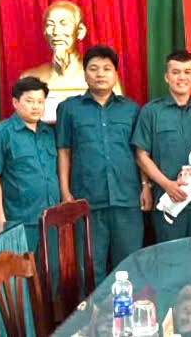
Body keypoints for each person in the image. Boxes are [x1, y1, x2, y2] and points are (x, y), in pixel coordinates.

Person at [56, 45, 144, 283]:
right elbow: (64, 151)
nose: (100, 74)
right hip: (87, 201)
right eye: (93, 69)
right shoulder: (69, 109)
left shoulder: (131, 109)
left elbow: (140, 153)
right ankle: (93, 308)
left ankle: (126, 307)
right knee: (89, 268)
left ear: (116, 74)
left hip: (127, 199)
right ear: (85, 74)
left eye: (107, 68)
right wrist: (65, 192)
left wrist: (145, 186)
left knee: (129, 266)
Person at [132, 50, 191, 242]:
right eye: (175, 72)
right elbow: (141, 155)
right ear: (166, 77)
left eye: (187, 72)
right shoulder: (151, 112)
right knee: (170, 255)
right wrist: (166, 184)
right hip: (168, 200)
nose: (182, 77)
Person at [0, 77, 60, 251]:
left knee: (52, 267)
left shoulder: (49, 133)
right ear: (15, 102)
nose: (36, 106)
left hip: (52, 220)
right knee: (23, 267)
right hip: (19, 222)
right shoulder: (0, 134)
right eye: (29, 101)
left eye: (40, 102)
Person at [21, 0, 122, 119]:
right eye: (50, 25)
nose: (56, 32)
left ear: (80, 32)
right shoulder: (29, 78)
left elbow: (116, 118)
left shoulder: (103, 78)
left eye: (64, 24)